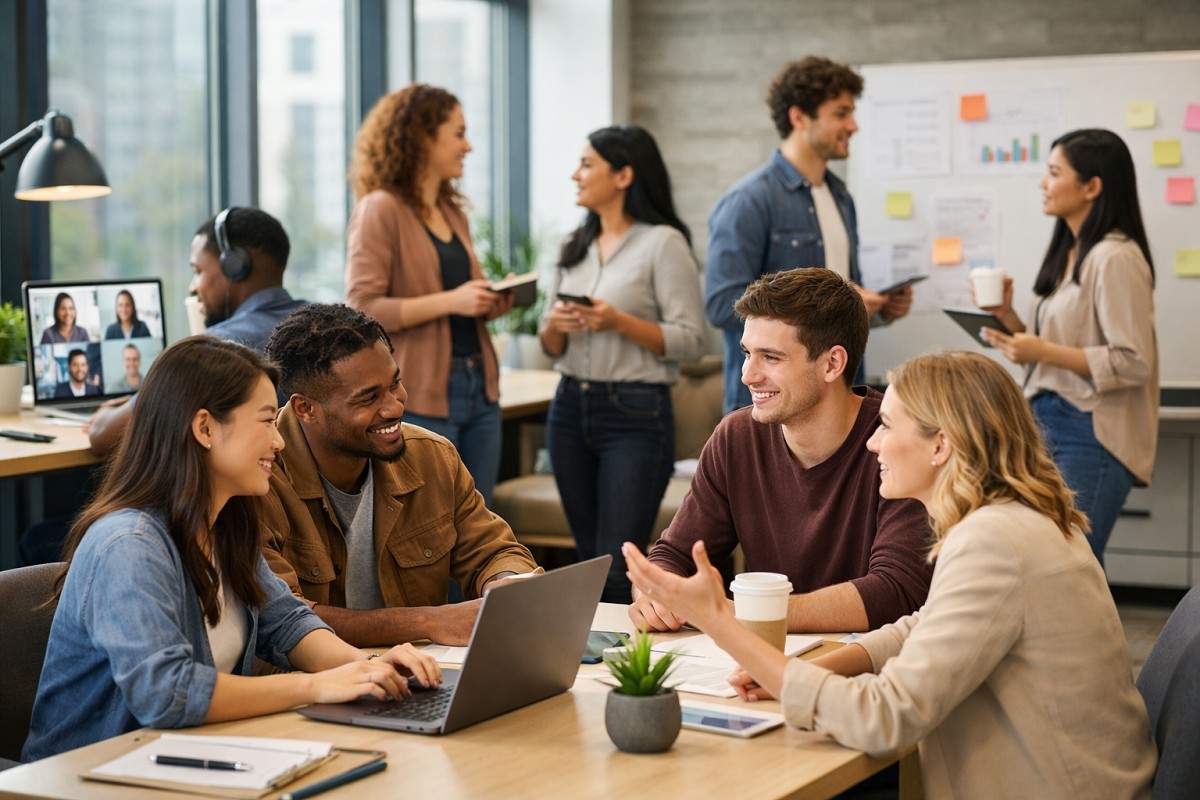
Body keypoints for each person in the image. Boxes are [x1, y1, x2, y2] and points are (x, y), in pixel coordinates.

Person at [623, 351, 1157, 800]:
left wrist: (725, 626)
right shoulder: (1019, 519)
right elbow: (920, 626)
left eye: (886, 426)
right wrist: (819, 665)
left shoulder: (993, 541)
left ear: (941, 445)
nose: (873, 443)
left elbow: (886, 717)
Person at [22, 337, 441, 762]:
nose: (278, 443)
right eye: (264, 422)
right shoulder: (130, 545)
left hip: (184, 761)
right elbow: (168, 694)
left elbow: (288, 623)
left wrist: (368, 667)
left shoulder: (223, 525)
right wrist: (314, 686)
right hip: (92, 776)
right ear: (204, 428)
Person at [630, 268, 932, 634]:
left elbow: (896, 592)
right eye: (747, 353)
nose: (748, 375)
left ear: (832, 363)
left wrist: (736, 614)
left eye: (771, 358)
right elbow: (673, 556)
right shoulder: (737, 436)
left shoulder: (896, 442)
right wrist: (657, 593)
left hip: (869, 667)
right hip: (763, 657)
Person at [260, 304, 539, 647]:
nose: (394, 406)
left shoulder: (432, 456)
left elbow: (492, 550)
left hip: (421, 675)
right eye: (368, 398)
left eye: (395, 384)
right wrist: (427, 622)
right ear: (306, 409)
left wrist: (504, 582)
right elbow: (281, 617)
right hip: (310, 684)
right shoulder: (258, 480)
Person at [539, 125, 706, 603]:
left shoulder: (663, 243)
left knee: (616, 565)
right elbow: (550, 345)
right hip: (570, 407)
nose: (576, 174)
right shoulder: (572, 245)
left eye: (587, 164)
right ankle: (583, 664)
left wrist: (617, 322)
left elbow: (691, 340)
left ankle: (622, 671)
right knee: (588, 561)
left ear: (624, 175)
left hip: (634, 414)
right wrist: (556, 325)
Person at [979, 128, 1157, 566]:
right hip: (1046, 419)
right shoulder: (1074, 252)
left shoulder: (1116, 257)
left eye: (1054, 172)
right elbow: (1060, 346)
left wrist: (1041, 351)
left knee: (1068, 566)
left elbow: (1133, 362)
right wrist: (1008, 318)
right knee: (1042, 564)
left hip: (1090, 429)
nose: (1044, 183)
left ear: (1092, 186)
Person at [705, 56, 913, 412]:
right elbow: (721, 305)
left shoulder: (841, 197)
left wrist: (876, 310)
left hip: (837, 399)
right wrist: (815, 310)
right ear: (799, 118)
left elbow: (839, 306)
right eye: (841, 113)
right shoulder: (749, 201)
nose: (854, 125)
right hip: (769, 405)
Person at [346, 84, 513, 505]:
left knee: (479, 524)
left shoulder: (452, 211)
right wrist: (453, 301)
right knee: (429, 530)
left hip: (480, 387)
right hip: (420, 391)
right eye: (458, 133)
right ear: (422, 137)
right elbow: (363, 306)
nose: (468, 145)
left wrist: (489, 300)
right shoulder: (380, 208)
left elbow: (458, 297)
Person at [86, 207, 307, 456]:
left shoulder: (220, 347)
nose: (194, 287)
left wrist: (109, 413)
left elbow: (103, 437)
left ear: (235, 266)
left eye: (198, 271)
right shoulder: (325, 325)